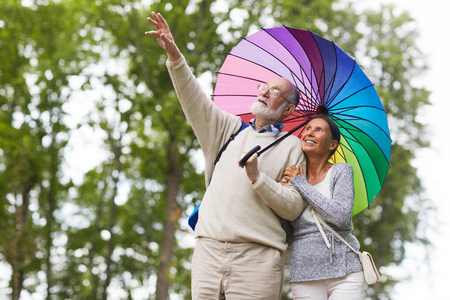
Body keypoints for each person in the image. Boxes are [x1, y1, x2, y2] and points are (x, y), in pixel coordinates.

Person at [146, 12, 306, 300]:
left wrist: (258, 178)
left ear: (287, 110)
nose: (265, 93)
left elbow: (294, 207)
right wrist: (175, 57)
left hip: (258, 258)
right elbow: (194, 99)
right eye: (264, 87)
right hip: (208, 251)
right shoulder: (227, 129)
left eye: (276, 93)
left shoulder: (293, 147)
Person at [282, 114, 365, 300]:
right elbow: (287, 232)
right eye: (308, 128)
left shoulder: (341, 171)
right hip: (304, 274)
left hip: (346, 272)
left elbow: (340, 217)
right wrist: (282, 195)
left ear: (332, 144)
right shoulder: (289, 178)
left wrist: (301, 183)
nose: (309, 133)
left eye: (318, 130)